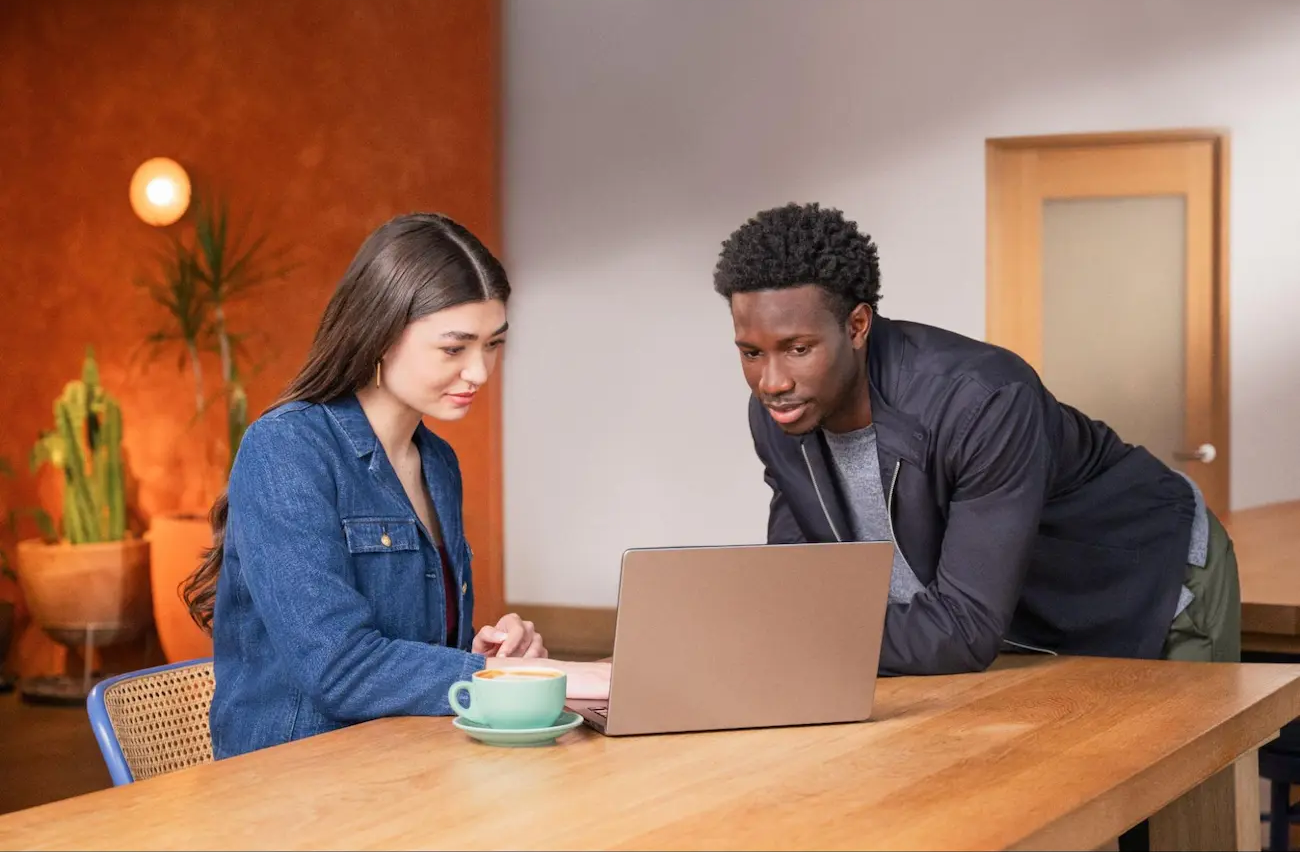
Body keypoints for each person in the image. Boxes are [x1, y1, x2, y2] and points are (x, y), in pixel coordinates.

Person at [712, 202, 1240, 676]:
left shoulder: (983, 399)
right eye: (751, 353)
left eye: (798, 348)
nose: (772, 381)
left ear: (856, 326)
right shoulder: (783, 415)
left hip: (1148, 578)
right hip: (1002, 631)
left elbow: (963, 632)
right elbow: (797, 587)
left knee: (1174, 777)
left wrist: (793, 640)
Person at [183, 213, 610, 759]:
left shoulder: (436, 462)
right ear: (380, 336)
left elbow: (414, 659)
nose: (480, 372)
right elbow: (338, 668)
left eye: (493, 344)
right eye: (455, 349)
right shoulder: (286, 450)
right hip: (291, 785)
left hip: (408, 764)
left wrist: (482, 653)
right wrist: (543, 675)